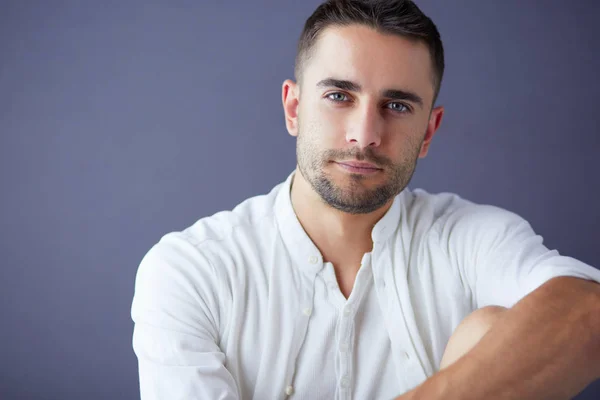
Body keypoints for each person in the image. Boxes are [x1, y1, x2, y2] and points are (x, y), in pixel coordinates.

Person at [130, 1, 600, 399]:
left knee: (495, 332)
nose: (366, 135)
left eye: (397, 106)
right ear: (294, 108)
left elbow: (588, 311)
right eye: (339, 95)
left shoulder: (471, 238)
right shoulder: (191, 270)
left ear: (429, 131)